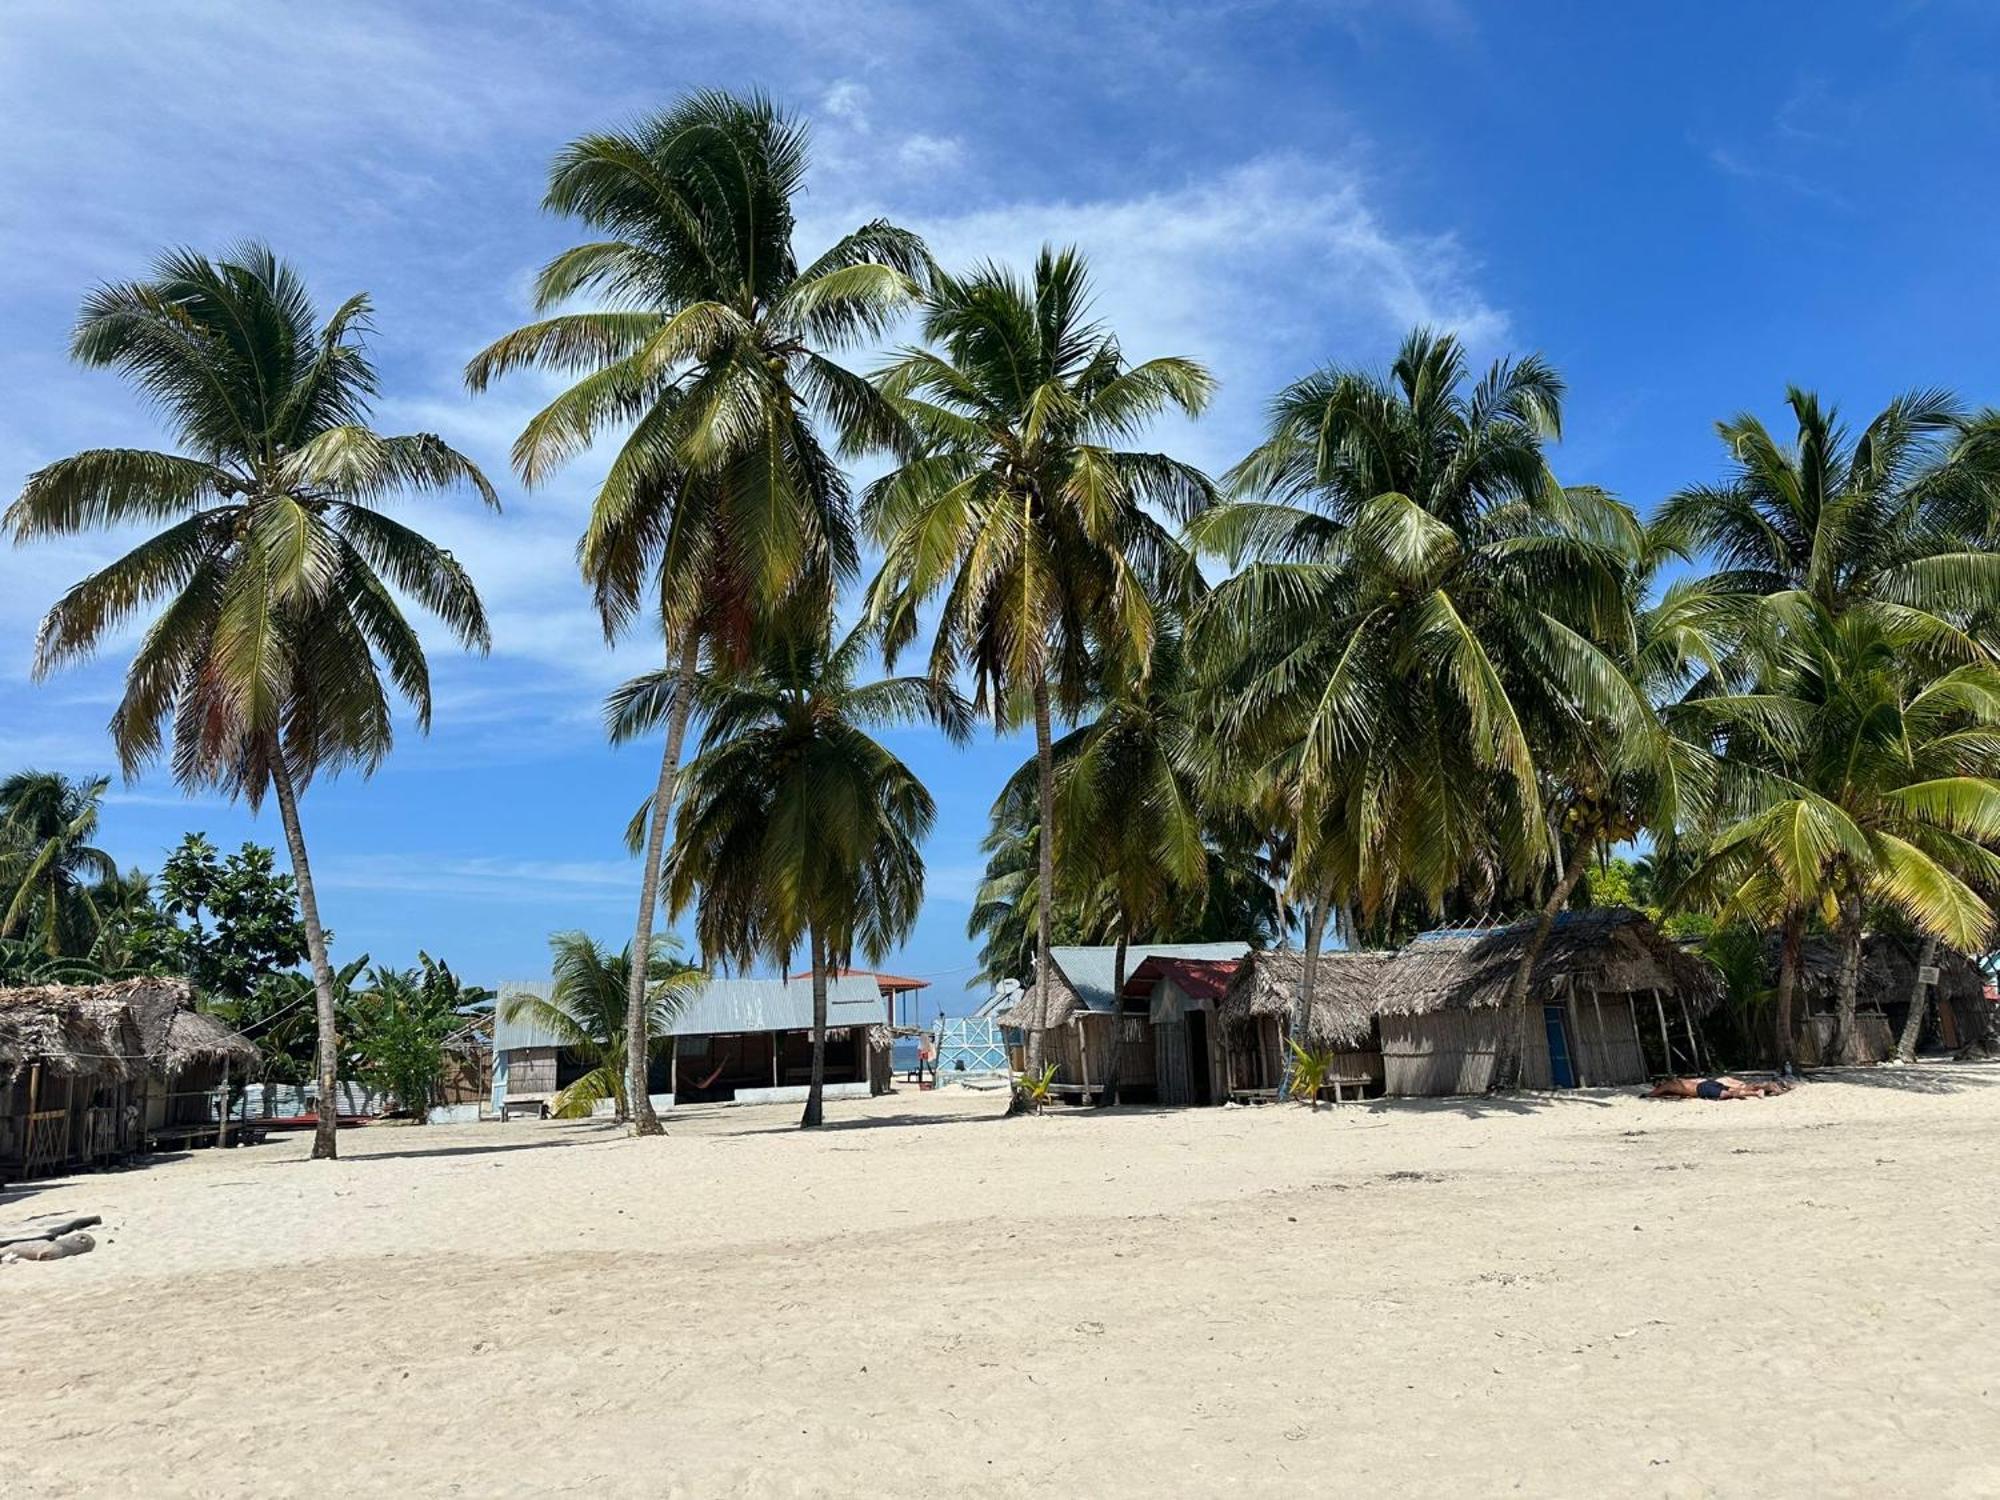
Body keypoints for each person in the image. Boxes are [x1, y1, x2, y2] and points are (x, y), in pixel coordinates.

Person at [1648, 1074, 1791, 1100]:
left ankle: (1756, 1093)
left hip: (1702, 1089)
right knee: (1736, 1089)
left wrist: (1648, 1094)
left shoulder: (1668, 1084)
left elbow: (1654, 1093)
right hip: (1706, 1083)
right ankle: (1767, 1087)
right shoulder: (1679, 1081)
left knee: (1727, 1094)